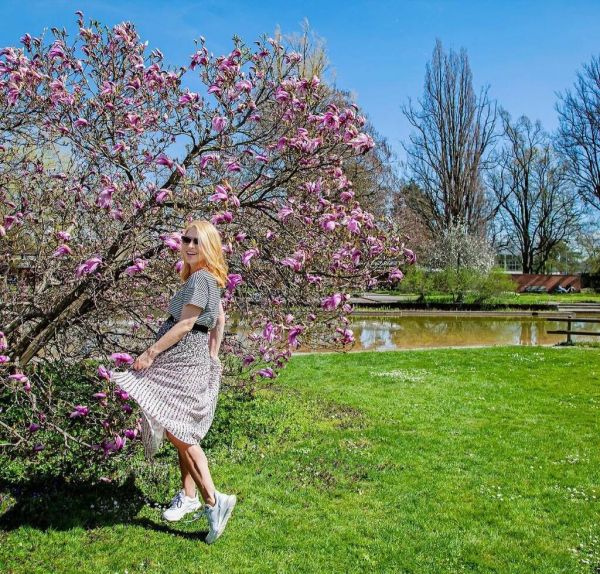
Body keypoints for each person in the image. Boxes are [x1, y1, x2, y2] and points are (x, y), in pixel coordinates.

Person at [111, 219, 236, 544]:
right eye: (186, 239)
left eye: (197, 241)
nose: (189, 246)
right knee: (175, 423)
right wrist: (212, 356)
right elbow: (220, 319)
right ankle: (189, 495)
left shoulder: (202, 278)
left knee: (180, 431)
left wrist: (151, 353)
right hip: (190, 357)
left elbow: (185, 325)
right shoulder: (205, 278)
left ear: (209, 246)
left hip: (183, 357)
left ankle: (214, 500)